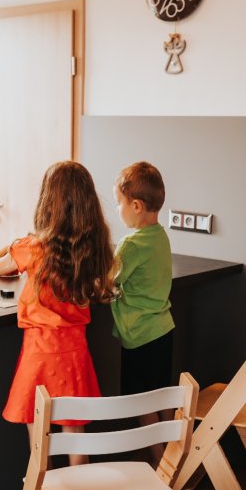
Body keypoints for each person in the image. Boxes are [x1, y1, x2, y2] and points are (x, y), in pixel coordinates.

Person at [0, 161, 116, 490]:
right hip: (75, 356)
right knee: (76, 441)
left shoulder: (33, 248)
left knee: (40, 446)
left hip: (39, 356)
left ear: (47, 202)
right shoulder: (94, 250)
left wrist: (15, 247)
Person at [111, 161, 176, 466]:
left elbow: (108, 280)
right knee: (162, 395)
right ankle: (175, 454)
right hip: (163, 328)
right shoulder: (160, 236)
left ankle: (160, 462)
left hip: (139, 335)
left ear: (135, 205)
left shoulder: (131, 244)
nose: (117, 210)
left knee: (142, 401)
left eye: (118, 203)